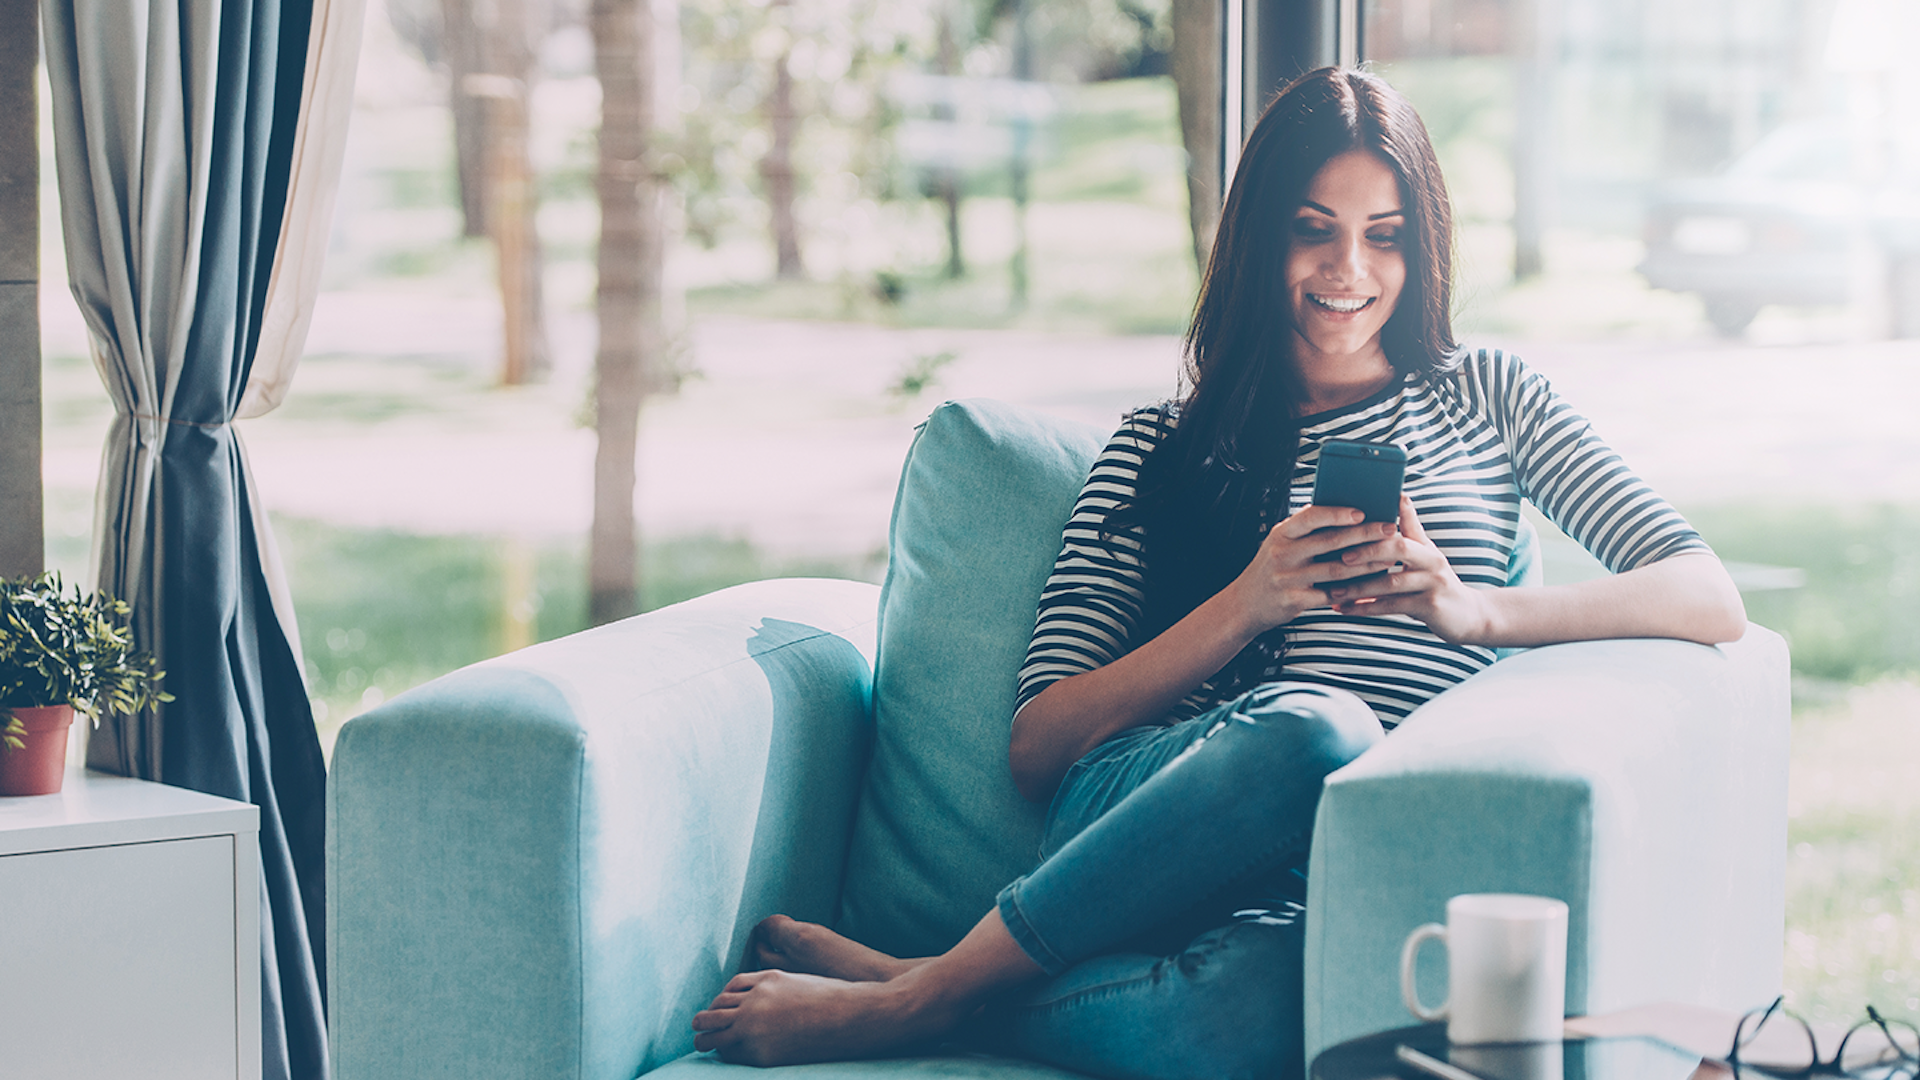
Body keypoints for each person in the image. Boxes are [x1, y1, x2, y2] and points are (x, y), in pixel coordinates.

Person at [690, 66, 1747, 1079]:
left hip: (1343, 854)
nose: (1350, 272)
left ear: (1422, 249)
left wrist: (1473, 613)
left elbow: (1706, 593)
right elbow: (1039, 750)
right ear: (1257, 241)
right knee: (1318, 726)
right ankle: (918, 1009)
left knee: (1271, 1015)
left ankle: (931, 983)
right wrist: (1246, 605)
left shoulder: (1492, 397)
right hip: (1149, 824)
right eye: (1314, 230)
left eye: (1385, 237)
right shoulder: (1160, 447)